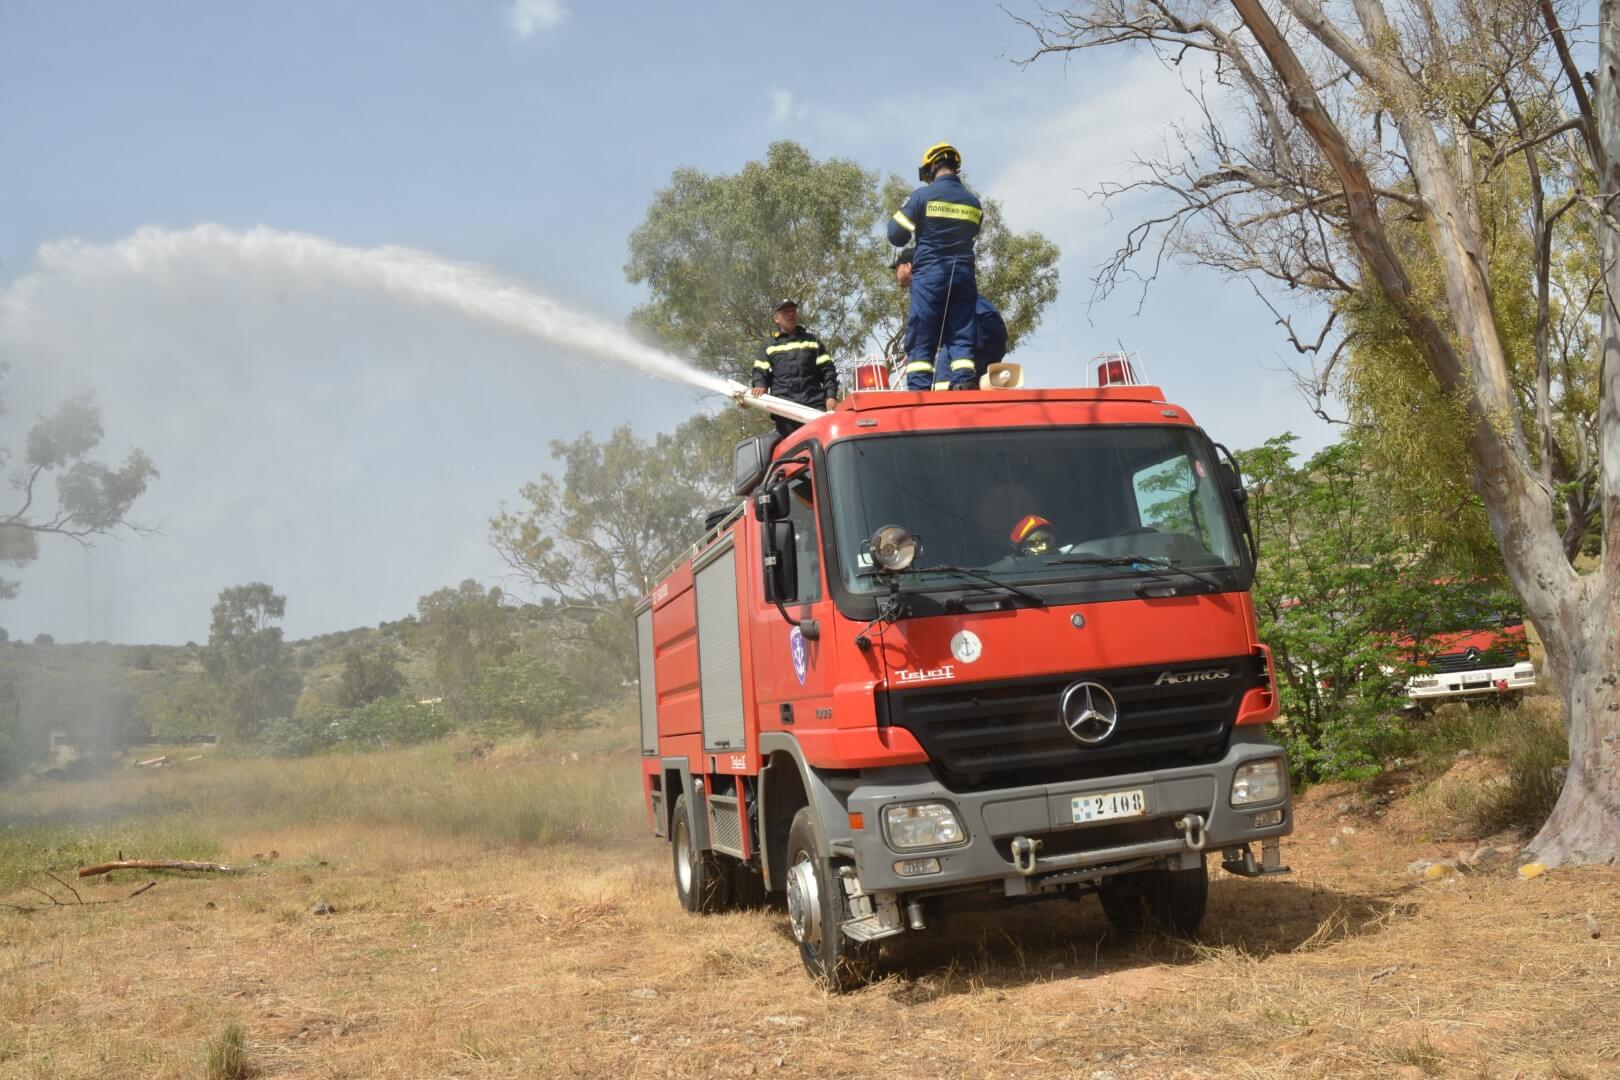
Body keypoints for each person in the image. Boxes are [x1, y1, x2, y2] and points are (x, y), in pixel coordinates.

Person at [887, 142, 982, 391]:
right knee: (961, 332)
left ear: (932, 167)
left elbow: (896, 235)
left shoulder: (921, 196)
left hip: (930, 274)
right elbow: (973, 231)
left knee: (923, 334)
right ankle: (963, 382)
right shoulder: (974, 203)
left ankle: (919, 391)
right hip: (963, 276)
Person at [893, 247, 1006, 384]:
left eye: (897, 267)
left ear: (908, 267)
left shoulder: (922, 284)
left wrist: (917, 352)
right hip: (990, 327)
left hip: (976, 324)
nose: (895, 273)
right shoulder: (934, 277)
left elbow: (925, 322)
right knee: (969, 383)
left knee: (944, 379)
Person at [750, 299, 838, 438]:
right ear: (776, 318)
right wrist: (760, 385)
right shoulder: (769, 345)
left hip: (814, 406)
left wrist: (831, 396)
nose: (791, 314)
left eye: (793, 311)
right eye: (785, 312)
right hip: (785, 410)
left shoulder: (812, 341)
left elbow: (828, 370)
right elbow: (760, 370)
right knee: (793, 450)